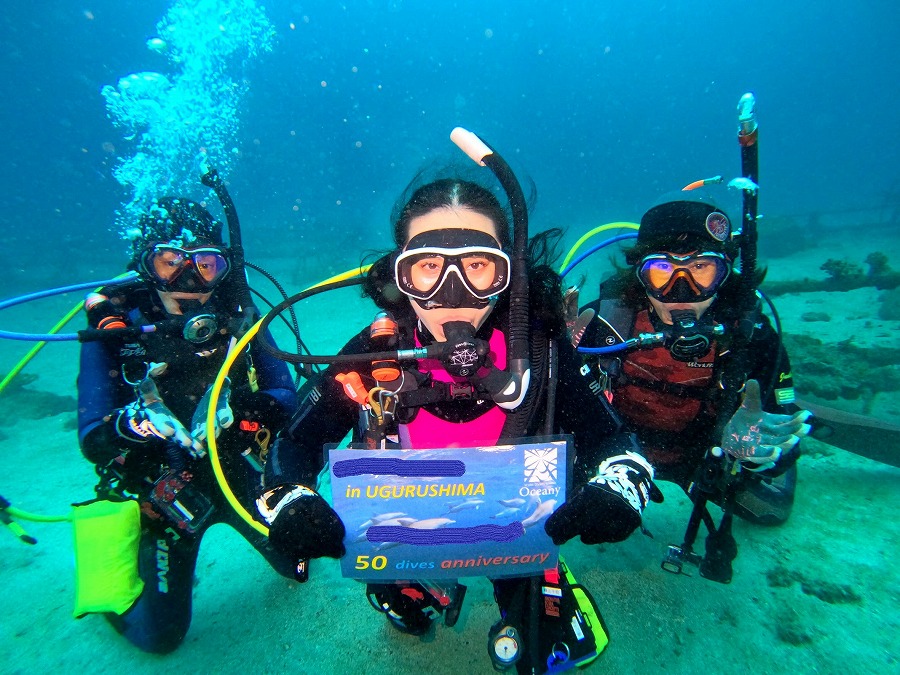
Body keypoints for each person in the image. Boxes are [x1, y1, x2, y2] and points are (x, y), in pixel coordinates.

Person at [255, 173, 663, 673]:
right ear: (399, 275)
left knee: (552, 646)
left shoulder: (542, 351)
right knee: (405, 607)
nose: (454, 293)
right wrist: (291, 501)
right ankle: (417, 588)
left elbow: (612, 438)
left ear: (508, 273)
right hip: (402, 537)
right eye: (428, 266)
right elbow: (295, 442)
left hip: (518, 531)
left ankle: (531, 587)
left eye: (478, 265)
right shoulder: (374, 354)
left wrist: (621, 487)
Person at [76, 194, 298, 653]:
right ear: (145, 266)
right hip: (164, 492)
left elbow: (285, 393)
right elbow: (92, 437)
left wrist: (249, 410)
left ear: (223, 269)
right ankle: (115, 582)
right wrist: (132, 425)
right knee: (161, 638)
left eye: (206, 264)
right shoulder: (114, 333)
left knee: (299, 563)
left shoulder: (240, 317)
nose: (190, 279)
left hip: (232, 471)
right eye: (169, 262)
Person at [577, 196, 811, 534]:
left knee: (770, 510)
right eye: (662, 271)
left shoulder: (752, 339)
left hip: (703, 457)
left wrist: (755, 454)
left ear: (725, 274)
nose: (681, 291)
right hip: (616, 450)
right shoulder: (602, 323)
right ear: (640, 275)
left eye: (701, 269)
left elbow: (780, 442)